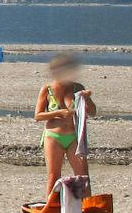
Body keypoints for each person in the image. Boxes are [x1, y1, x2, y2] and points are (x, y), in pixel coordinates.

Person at [34, 53, 96, 197]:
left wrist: (87, 99)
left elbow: (92, 112)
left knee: (83, 176)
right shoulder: (47, 89)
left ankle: (87, 210)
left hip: (74, 137)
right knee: (53, 176)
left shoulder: (77, 88)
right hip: (53, 136)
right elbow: (37, 115)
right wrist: (58, 113)